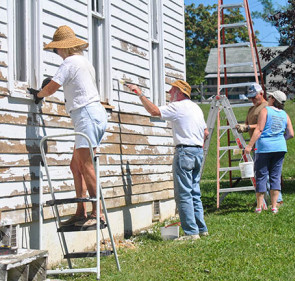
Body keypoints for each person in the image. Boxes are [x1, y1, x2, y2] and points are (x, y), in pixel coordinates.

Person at [28, 25, 108, 227]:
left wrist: (38, 95)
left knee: (86, 165)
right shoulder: (83, 62)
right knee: (75, 165)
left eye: (56, 50)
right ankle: (81, 211)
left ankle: (97, 214)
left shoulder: (69, 62)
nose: (56, 53)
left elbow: (53, 87)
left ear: (63, 48)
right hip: (90, 114)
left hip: (86, 115)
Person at [127, 80, 209, 240]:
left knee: (184, 193)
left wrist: (139, 93)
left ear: (179, 92)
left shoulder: (178, 106)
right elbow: (205, 133)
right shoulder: (196, 108)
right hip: (198, 151)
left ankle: (191, 233)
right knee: (194, 192)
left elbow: (154, 111)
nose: (169, 93)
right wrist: (197, 146)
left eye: (172, 91)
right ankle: (201, 229)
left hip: (185, 151)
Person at [244, 90, 294, 214]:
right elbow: (291, 134)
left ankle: (259, 207)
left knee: (261, 175)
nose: (269, 97)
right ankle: (274, 206)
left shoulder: (265, 110)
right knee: (275, 176)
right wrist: (280, 139)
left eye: (270, 96)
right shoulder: (284, 114)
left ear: (272, 99)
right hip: (280, 148)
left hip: (264, 147)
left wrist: (249, 145)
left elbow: (260, 129)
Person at [236, 83, 283, 207]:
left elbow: (264, 126)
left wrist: (248, 127)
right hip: (257, 144)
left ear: (261, 94)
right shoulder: (252, 109)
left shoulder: (266, 107)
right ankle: (267, 201)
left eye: (254, 96)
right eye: (250, 97)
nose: (252, 99)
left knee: (269, 174)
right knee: (262, 174)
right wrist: (242, 126)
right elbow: (248, 123)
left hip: (265, 144)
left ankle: (277, 200)